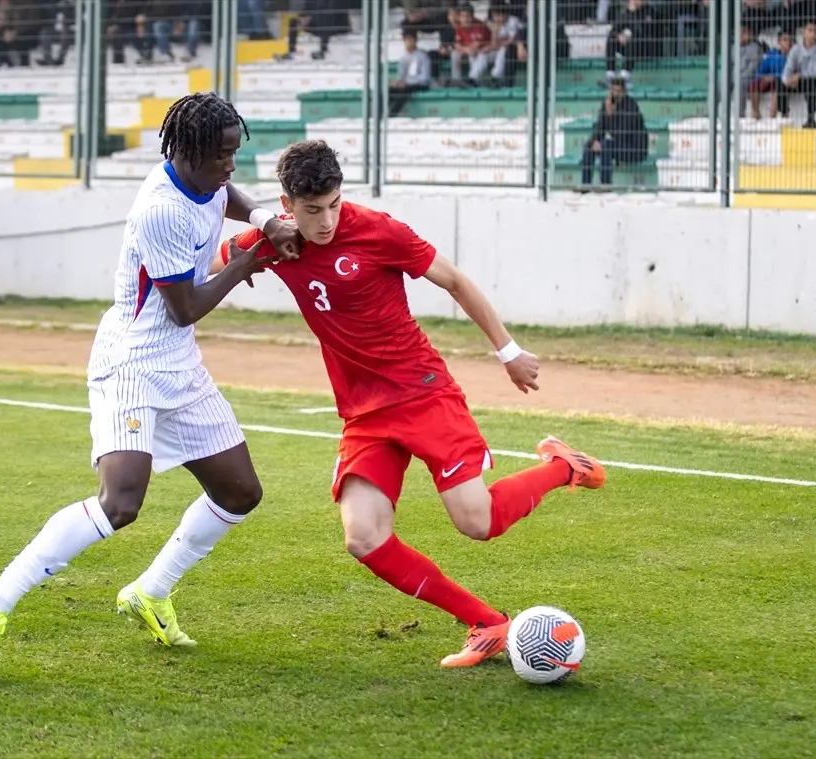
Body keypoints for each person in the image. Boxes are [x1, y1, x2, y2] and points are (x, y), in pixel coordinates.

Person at [126, 139, 607, 669]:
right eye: (312, 210)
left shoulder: (378, 229)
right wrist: (146, 284)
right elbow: (197, 269)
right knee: (364, 537)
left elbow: (454, 279)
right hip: (364, 412)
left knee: (478, 521)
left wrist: (509, 352)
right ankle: (486, 621)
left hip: (421, 391)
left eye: (333, 203)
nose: (327, 219)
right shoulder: (273, 241)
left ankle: (564, 466)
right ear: (286, 205)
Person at [0, 93, 302, 680]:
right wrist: (249, 260)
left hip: (179, 364)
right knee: (121, 503)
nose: (232, 166)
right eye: (224, 155)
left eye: (235, 152)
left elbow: (226, 197)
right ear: (190, 152)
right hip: (133, 361)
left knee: (240, 491)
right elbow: (186, 307)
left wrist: (264, 219)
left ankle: (151, 590)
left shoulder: (206, 175)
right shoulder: (159, 210)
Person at [581, 78, 648, 187]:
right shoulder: (607, 104)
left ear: (624, 92)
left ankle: (605, 186)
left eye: (618, 91)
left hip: (634, 149)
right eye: (613, 91)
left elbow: (624, 133)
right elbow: (600, 126)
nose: (616, 94)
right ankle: (585, 185)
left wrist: (612, 115)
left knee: (607, 145)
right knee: (589, 146)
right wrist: (595, 140)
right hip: (618, 146)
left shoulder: (631, 106)